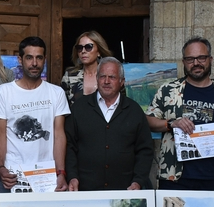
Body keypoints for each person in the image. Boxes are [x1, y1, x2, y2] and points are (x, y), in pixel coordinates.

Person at [146, 36, 214, 191]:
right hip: (174, 177)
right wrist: (171, 124)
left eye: (201, 58)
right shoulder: (168, 91)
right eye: (190, 59)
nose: (196, 63)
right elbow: (148, 120)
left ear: (210, 59)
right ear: (183, 62)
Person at [0, 36, 71, 192]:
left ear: (45, 60)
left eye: (39, 58)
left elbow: (59, 135)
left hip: (46, 176)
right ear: (20, 60)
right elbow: (0, 134)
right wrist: (0, 168)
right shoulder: (5, 91)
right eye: (29, 58)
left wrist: (61, 172)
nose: (34, 63)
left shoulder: (56, 93)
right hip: (12, 176)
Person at [65, 57, 153, 191]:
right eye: (102, 76)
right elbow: (69, 146)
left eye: (112, 77)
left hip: (124, 191)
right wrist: (72, 176)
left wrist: (138, 181)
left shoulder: (134, 111)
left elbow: (145, 150)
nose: (106, 81)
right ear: (97, 78)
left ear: (121, 82)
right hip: (85, 190)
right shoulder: (79, 108)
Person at [60, 31, 114, 106]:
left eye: (88, 47)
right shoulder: (70, 75)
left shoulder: (110, 75)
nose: (83, 51)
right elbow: (61, 106)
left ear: (99, 51)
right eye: (79, 48)